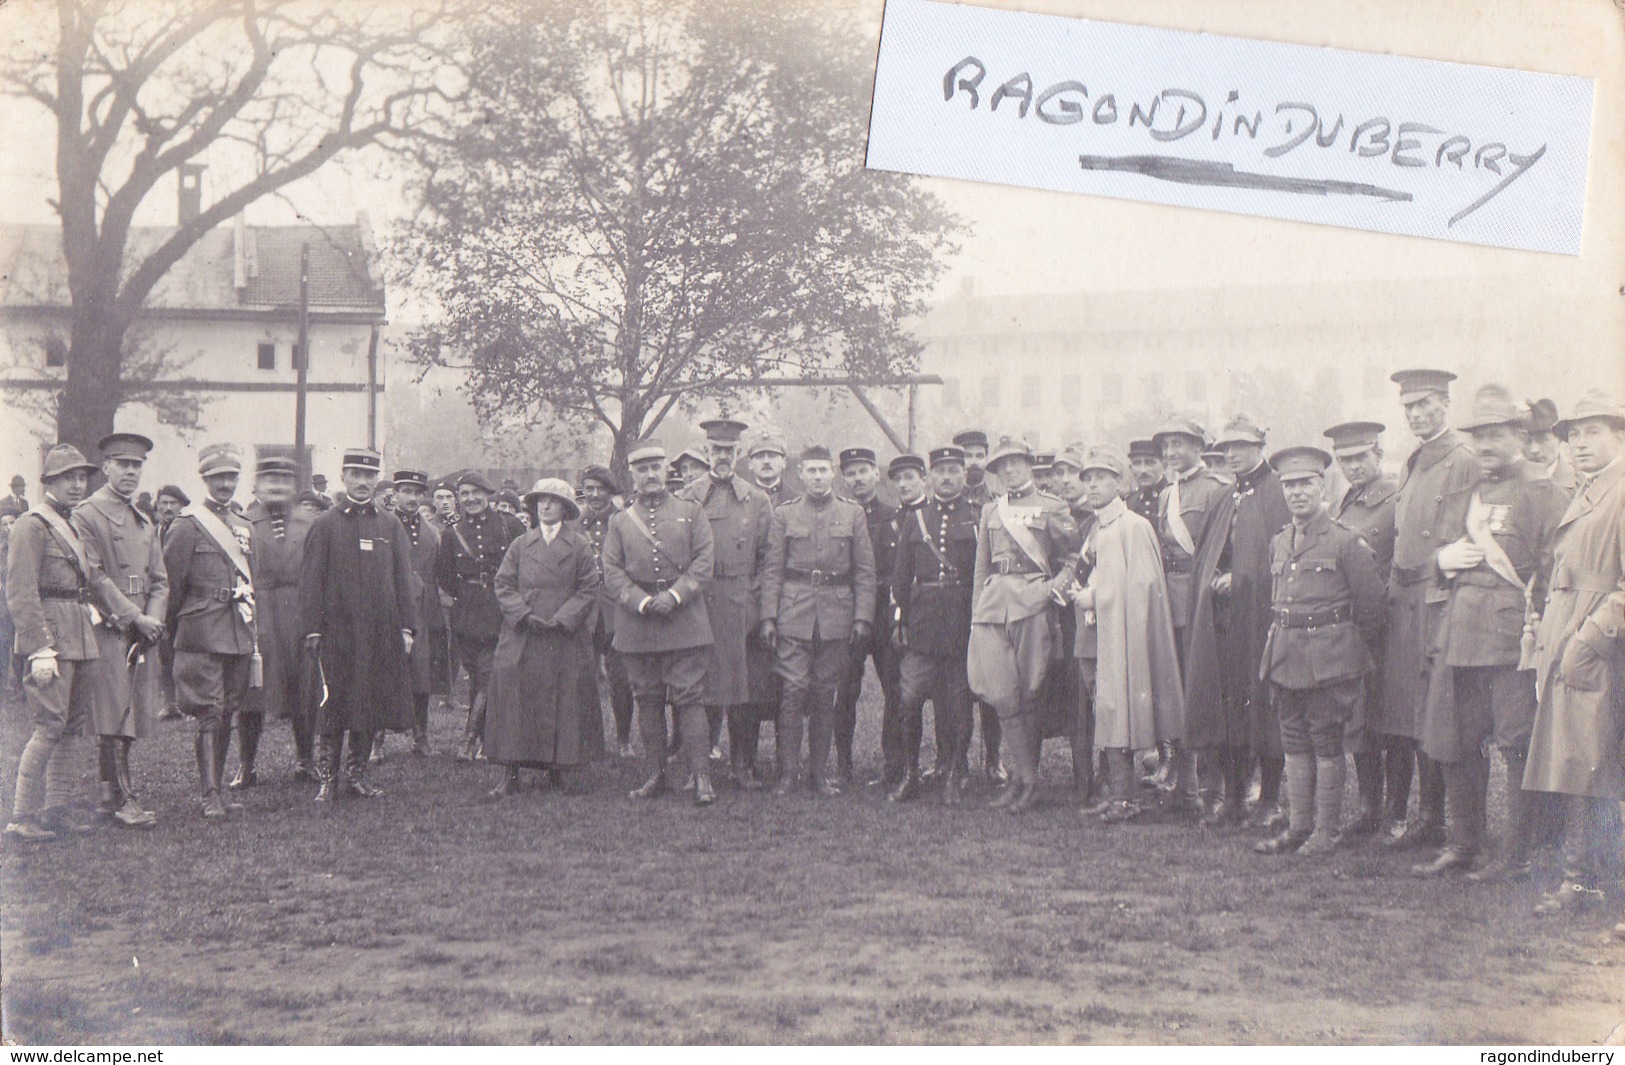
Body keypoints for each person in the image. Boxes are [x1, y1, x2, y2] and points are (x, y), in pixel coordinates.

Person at [1413, 385, 1568, 879]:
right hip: (1460, 635)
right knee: (1457, 745)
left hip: (1510, 640)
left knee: (1516, 745)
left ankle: (1516, 854)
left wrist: (1541, 631)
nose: (1485, 446)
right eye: (1479, 436)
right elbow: (1431, 556)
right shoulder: (1466, 493)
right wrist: (1441, 561)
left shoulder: (1544, 494)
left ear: (1519, 436)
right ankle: (1465, 844)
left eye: (1496, 435)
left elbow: (1553, 570)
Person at [1254, 446, 1386, 857]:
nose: (1296, 493)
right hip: (1286, 655)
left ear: (1322, 485)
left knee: (1326, 741)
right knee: (1293, 740)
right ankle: (1299, 826)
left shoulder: (1346, 541)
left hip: (1330, 660)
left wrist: (1347, 651)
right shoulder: (1279, 541)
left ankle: (1326, 831)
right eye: (1289, 485)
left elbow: (1372, 607)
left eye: (1305, 484)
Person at [1523, 390, 1625, 916]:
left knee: (1590, 759)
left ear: (1619, 435)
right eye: (1574, 434)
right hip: (1569, 638)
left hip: (1598, 647)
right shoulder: (1589, 490)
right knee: (1575, 758)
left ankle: (1585, 878)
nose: (1581, 443)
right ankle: (1582, 874)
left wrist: (1590, 639)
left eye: (1593, 431)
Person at [4, 446, 125, 841]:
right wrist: (39, 647)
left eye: (81, 477)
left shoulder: (72, 525)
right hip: (50, 639)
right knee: (49, 726)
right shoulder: (31, 524)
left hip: (81, 637)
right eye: (67, 478)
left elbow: (89, 581)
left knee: (73, 727)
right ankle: (22, 815)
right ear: (49, 482)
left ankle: (56, 808)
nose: (77, 484)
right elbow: (21, 592)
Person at [1381, 368, 1478, 849]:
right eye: (1409, 407)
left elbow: (1467, 531)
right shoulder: (1412, 461)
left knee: (1434, 709)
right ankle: (1418, 817)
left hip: (1437, 596)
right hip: (1406, 599)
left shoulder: (1463, 459)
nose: (1417, 414)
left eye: (1425, 405)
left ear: (1445, 404)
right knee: (1407, 710)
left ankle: (1436, 818)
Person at [1065, 445, 1185, 823]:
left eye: (1103, 477)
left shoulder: (1134, 525)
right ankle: (1119, 790)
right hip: (1095, 633)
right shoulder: (1097, 527)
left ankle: (1129, 797)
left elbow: (1143, 585)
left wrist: (1095, 598)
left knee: (1121, 704)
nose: (1094, 484)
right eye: (1089, 477)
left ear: (1120, 482)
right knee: (1105, 705)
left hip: (1123, 633)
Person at [1184, 413, 1291, 827]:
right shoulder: (1225, 496)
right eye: (1227, 448)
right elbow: (1208, 553)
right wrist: (1212, 576)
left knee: (1263, 706)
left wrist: (1241, 578)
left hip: (1260, 617)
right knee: (1226, 704)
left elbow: (1281, 556)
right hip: (1223, 620)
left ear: (1259, 447)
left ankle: (1269, 799)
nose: (1233, 454)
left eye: (1241, 447)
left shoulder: (1276, 492)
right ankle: (1232, 796)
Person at [298, 448, 419, 803]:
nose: (363, 482)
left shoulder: (389, 524)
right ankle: (327, 780)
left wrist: (407, 628)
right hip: (337, 633)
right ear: (344, 477)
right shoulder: (325, 524)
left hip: (380, 631)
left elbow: (402, 580)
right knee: (332, 705)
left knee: (370, 702)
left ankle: (356, 776)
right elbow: (311, 581)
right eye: (356, 475)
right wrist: (313, 628)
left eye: (369, 476)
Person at [967, 436, 1079, 812]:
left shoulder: (1052, 506)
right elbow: (981, 565)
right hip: (994, 605)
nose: (1010, 470)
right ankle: (1025, 777)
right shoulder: (990, 511)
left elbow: (1072, 559)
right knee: (1002, 694)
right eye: (1002, 466)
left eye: (1016, 463)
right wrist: (976, 612)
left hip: (1033, 603)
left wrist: (1050, 591)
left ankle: (1024, 781)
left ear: (1030, 466)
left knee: (1030, 693)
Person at [601, 440, 717, 806]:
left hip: (684, 618)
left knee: (690, 697)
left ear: (668, 470)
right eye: (642, 468)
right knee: (647, 697)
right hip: (638, 621)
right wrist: (642, 601)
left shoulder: (691, 511)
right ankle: (656, 774)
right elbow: (612, 570)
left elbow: (704, 562)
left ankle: (701, 777)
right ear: (632, 475)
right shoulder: (619, 521)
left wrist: (676, 595)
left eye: (656, 467)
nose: (650, 474)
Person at [760, 445, 877, 797]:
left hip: (837, 615)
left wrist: (862, 618)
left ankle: (819, 775)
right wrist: (768, 615)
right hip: (793, 615)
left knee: (826, 694)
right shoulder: (784, 514)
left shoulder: (853, 514)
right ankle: (788, 774)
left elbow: (865, 571)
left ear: (833, 473)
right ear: (800, 475)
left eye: (823, 471)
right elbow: (772, 569)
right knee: (793, 693)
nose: (817, 477)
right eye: (810, 471)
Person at [72, 432, 169, 828]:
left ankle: (108, 792)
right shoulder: (87, 514)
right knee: (113, 710)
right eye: (122, 464)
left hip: (143, 628)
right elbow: (93, 575)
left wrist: (154, 618)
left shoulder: (144, 519)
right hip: (112, 625)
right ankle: (123, 798)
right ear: (106, 467)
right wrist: (134, 617)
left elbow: (160, 579)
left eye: (137, 465)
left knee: (131, 709)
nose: (130, 471)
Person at [484, 479, 602, 799]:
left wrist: (564, 619)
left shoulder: (579, 545)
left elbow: (589, 588)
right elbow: (503, 584)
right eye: (540, 501)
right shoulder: (521, 544)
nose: (545, 506)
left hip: (563, 634)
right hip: (524, 632)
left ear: (564, 507)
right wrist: (522, 615)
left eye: (552, 501)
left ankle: (559, 770)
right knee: (514, 695)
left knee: (564, 699)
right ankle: (511, 772)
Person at [163, 443, 257, 819]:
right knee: (210, 710)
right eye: (218, 477)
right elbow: (172, 585)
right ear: (204, 479)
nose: (225, 484)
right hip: (201, 627)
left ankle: (218, 787)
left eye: (231, 477)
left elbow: (253, 581)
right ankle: (209, 793)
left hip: (237, 628)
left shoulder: (243, 525)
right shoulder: (187, 526)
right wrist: (172, 636)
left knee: (230, 707)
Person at [683, 419, 775, 789]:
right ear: (707, 452)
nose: (722, 457)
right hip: (700, 602)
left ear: (739, 455)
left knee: (743, 691)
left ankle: (742, 766)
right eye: (716, 450)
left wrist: (762, 611)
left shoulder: (758, 499)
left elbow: (769, 560)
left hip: (742, 605)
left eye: (729, 451)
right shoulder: (689, 496)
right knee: (699, 688)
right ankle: (697, 768)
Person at [1323, 421, 1401, 837]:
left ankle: (1397, 810)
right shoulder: (1342, 501)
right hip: (1352, 624)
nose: (1352, 466)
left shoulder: (1395, 498)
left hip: (1389, 624)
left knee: (1393, 721)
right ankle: (1370, 807)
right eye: (1344, 459)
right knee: (1360, 718)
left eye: (1359, 458)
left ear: (1378, 456)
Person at [890, 445, 980, 803]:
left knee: (959, 703)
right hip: (923, 623)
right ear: (930, 477)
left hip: (961, 622)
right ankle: (911, 773)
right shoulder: (917, 519)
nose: (946, 477)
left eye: (953, 470)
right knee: (909, 699)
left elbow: (980, 574)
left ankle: (956, 772)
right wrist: (900, 620)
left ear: (964, 475)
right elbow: (901, 576)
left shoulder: (976, 516)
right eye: (940, 470)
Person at [1153, 414, 1228, 811]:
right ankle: (1184, 783)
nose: (1171, 453)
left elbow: (1225, 548)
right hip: (1172, 601)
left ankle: (1211, 787)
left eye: (1179, 445)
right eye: (1167, 446)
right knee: (1176, 689)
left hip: (1204, 602)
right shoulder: (1167, 495)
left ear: (1199, 448)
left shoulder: (1218, 490)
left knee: (1204, 691)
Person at [233, 456, 315, 785]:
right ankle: (247, 764)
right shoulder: (242, 522)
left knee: (303, 686)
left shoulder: (309, 523)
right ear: (256, 486)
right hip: (259, 612)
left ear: (294, 487)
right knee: (253, 689)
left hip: (298, 611)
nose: (278, 487)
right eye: (270, 481)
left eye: (284, 481)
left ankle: (305, 760)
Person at [437, 470, 525, 761]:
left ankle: (469, 738)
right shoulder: (452, 533)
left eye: (476, 493)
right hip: (467, 613)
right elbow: (446, 576)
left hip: (500, 609)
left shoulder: (510, 525)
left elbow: (524, 565)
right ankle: (488, 741)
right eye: (465, 495)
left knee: (489, 675)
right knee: (477, 676)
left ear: (488, 495)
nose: (471, 499)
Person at [834, 446, 900, 786]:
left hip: (885, 611)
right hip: (849, 611)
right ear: (843, 479)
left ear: (877, 473)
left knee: (894, 688)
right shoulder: (837, 515)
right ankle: (844, 764)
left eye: (864, 470)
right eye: (851, 472)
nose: (858, 478)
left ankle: (893, 765)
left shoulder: (894, 515)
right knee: (845, 689)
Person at [1040, 444, 1097, 804]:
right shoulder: (1048, 514)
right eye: (1058, 473)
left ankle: (1093, 775)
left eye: (1072, 473)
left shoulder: (1097, 517)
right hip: (1056, 614)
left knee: (1088, 692)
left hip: (1090, 614)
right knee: (1058, 690)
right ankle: (1076, 772)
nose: (1064, 480)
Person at [873, 452, 931, 791]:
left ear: (923, 478)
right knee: (895, 692)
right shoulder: (890, 522)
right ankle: (895, 765)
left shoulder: (933, 517)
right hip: (896, 618)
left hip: (930, 614)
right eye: (899, 479)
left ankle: (947, 763)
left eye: (911, 477)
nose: (905, 484)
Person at [953, 427, 1006, 782]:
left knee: (992, 686)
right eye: (966, 456)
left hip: (990, 601)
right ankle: (958, 760)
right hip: (954, 606)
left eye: (978, 455)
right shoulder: (945, 502)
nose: (973, 462)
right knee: (957, 688)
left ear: (987, 459)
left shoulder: (999, 502)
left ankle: (993, 760)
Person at [383, 470, 444, 759]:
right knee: (383, 672)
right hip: (389, 608)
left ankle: (421, 736)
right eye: (406, 491)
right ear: (395, 494)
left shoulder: (431, 531)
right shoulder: (383, 525)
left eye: (417, 492)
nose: (412, 498)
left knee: (421, 674)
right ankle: (375, 742)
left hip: (421, 610)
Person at [579, 465, 636, 758]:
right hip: (586, 613)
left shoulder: (624, 521)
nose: (594, 494)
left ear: (611, 491)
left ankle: (624, 738)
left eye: (600, 488)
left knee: (621, 679)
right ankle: (589, 740)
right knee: (584, 677)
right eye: (589, 488)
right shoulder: (575, 522)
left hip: (617, 611)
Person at [153, 484, 190, 720]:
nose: (167, 508)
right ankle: (170, 703)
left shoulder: (189, 529)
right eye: (163, 503)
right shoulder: (154, 532)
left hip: (186, 602)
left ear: (182, 505)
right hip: (162, 600)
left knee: (186, 656)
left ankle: (189, 705)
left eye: (172, 503)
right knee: (164, 654)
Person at [1526, 398, 1580, 494]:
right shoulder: (1513, 484)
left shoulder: (1579, 484)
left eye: (1542, 439)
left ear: (1558, 438)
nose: (1534, 450)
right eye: (1527, 441)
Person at [746, 431, 795, 507]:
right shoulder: (741, 500)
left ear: (784, 462)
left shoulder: (797, 500)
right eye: (760, 456)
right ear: (750, 463)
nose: (766, 461)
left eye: (772, 455)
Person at [1126, 439, 1166, 526]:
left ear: (1163, 465)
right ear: (1131, 468)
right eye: (1137, 463)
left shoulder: (1174, 495)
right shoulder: (1130, 501)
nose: (1143, 470)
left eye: (1149, 463)